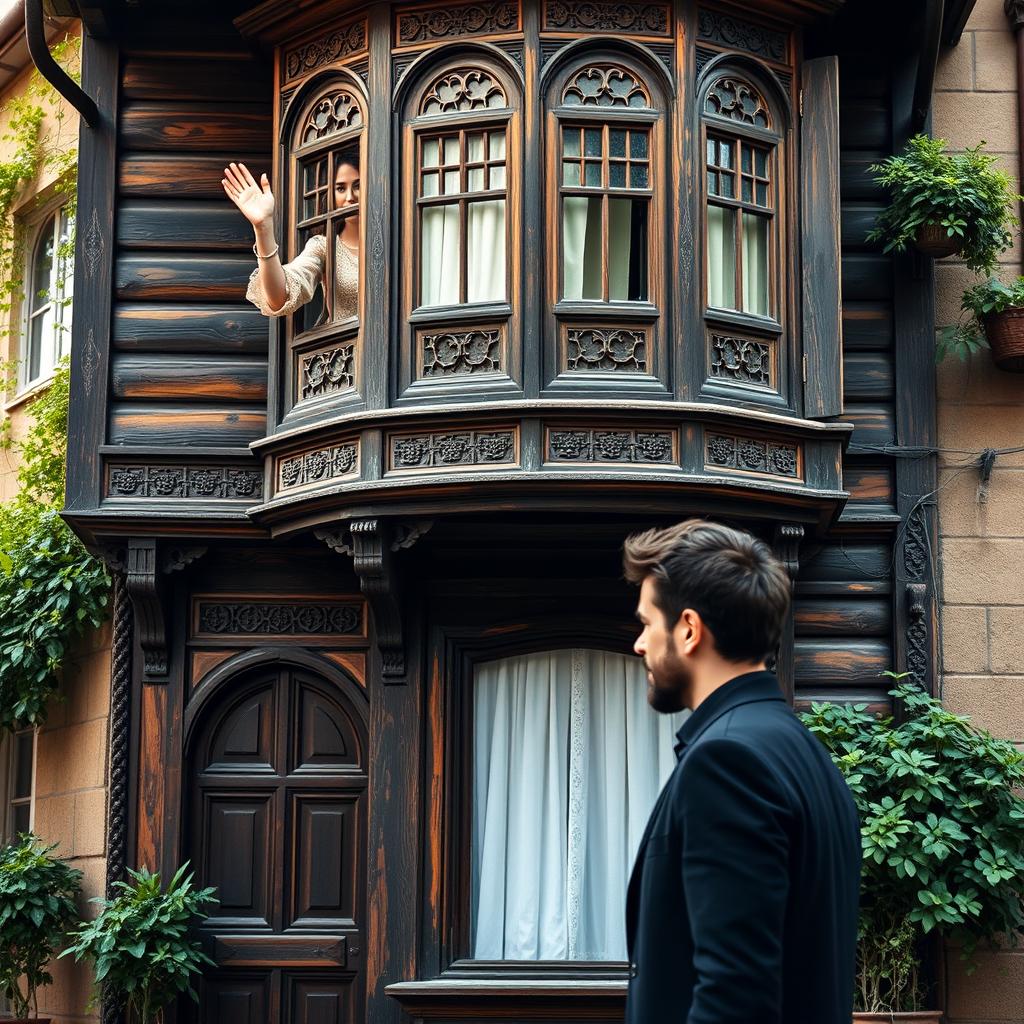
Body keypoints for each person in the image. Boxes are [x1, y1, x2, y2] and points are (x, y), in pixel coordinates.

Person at [622, 519, 860, 1024]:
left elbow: (735, 999)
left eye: (647, 623)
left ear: (688, 629)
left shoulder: (727, 763)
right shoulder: (803, 753)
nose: (640, 644)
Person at [222, 153, 360, 321]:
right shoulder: (325, 247)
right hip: (349, 347)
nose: (349, 197)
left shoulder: (398, 241)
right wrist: (262, 227)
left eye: (357, 185)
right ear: (330, 193)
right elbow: (279, 298)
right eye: (340, 188)